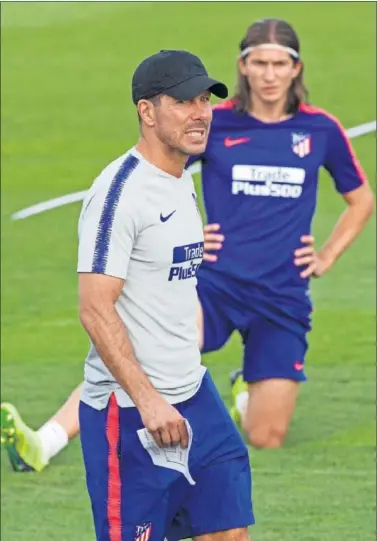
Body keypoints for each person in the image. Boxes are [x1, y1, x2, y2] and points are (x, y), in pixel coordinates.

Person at [1, 17, 374, 470]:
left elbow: (360, 199)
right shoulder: (214, 121)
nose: (270, 74)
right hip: (215, 287)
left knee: (265, 436)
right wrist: (188, 233)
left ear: (296, 69)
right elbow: (159, 172)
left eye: (280, 64)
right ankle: (45, 442)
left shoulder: (321, 130)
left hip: (283, 297)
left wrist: (327, 255)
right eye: (260, 63)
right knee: (135, 353)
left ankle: (244, 394)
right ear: (243, 65)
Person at [65, 49, 257, 540]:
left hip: (195, 394)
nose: (200, 113)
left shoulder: (180, 180)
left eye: (204, 100)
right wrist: (149, 401)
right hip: (130, 412)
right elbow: (94, 306)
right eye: (183, 102)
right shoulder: (119, 195)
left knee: (229, 529)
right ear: (146, 112)